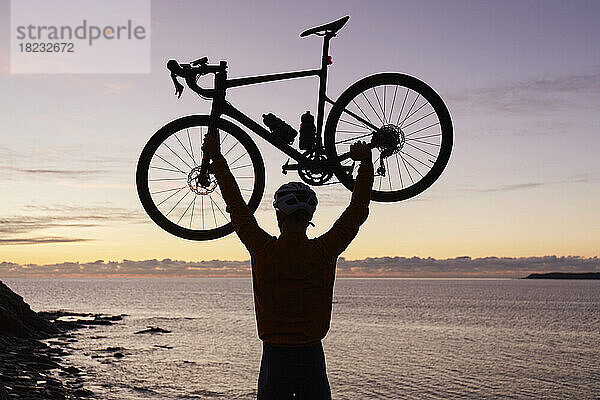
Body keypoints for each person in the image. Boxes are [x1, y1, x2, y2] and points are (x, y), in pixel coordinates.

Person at [203, 134, 373, 399]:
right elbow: (358, 209)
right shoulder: (323, 251)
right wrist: (365, 163)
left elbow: (236, 206)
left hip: (275, 357)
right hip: (312, 356)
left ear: (279, 215)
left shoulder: (263, 249)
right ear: (310, 218)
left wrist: (216, 158)